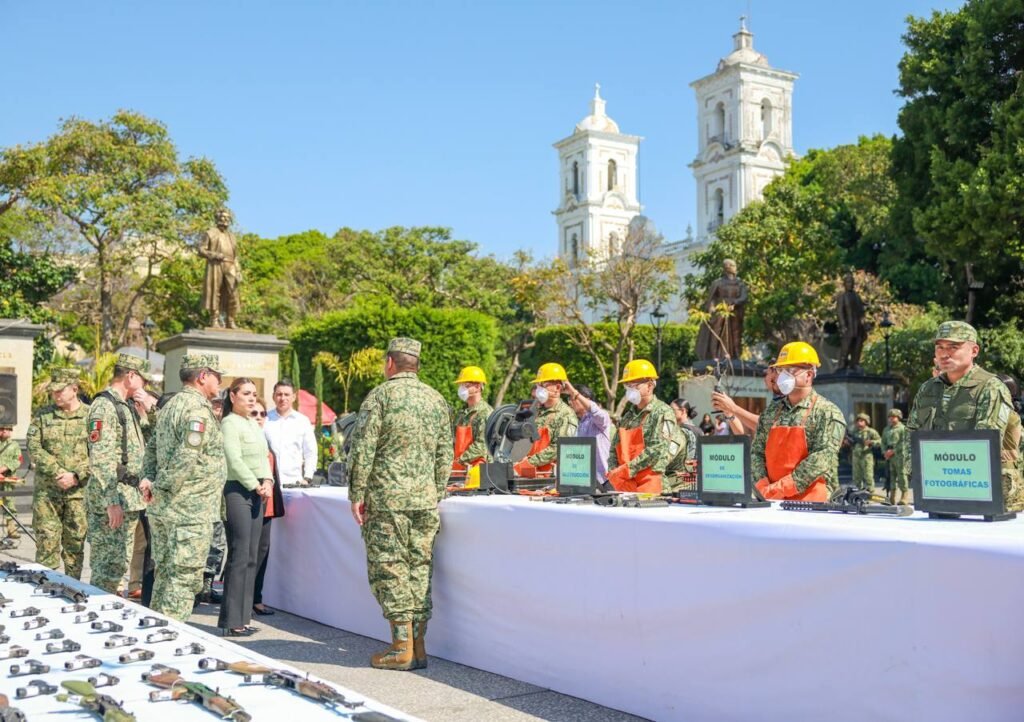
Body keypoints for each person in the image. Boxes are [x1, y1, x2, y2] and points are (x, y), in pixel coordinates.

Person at [347, 337, 453, 671]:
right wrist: (434, 491)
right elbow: (445, 453)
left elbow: (362, 450)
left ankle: (401, 647)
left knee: (390, 568)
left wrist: (356, 494)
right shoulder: (436, 399)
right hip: (424, 500)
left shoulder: (380, 396)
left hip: (387, 500)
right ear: (416, 364)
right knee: (419, 568)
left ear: (390, 363)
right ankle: (418, 646)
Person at [907, 321, 1019, 512]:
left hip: (985, 491)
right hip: (938, 488)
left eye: (953, 347)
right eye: (940, 347)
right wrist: (916, 474)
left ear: (974, 351)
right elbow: (912, 433)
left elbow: (986, 442)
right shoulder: (928, 388)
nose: (944, 354)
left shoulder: (991, 387)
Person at [148, 354, 226, 621]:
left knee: (165, 575)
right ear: (203, 376)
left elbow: (151, 449)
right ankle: (168, 636)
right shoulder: (197, 410)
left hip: (167, 508)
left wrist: (149, 482)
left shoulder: (171, 404)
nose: (220, 381)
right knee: (183, 580)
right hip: (189, 512)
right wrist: (161, 486)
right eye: (217, 375)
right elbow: (186, 457)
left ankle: (155, 630)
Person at [86, 353, 153, 595]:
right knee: (107, 569)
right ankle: (97, 610)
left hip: (129, 498)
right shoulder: (105, 406)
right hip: (112, 499)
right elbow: (101, 458)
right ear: (131, 376)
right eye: (144, 380)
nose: (145, 385)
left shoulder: (128, 406)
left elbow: (151, 440)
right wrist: (112, 502)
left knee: (118, 565)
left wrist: (148, 411)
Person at [752, 341, 846, 501]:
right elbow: (757, 452)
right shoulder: (771, 412)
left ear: (808, 375)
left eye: (790, 370)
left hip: (811, 505)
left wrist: (779, 489)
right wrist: (762, 486)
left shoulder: (827, 412)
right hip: (771, 501)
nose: (783, 376)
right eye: (780, 370)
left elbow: (822, 458)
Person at [217, 378, 273, 637]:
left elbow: (264, 457)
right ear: (233, 396)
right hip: (237, 491)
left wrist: (268, 481)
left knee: (252, 556)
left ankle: (244, 617)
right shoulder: (229, 423)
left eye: (254, 394)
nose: (252, 398)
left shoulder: (252, 423)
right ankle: (231, 620)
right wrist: (255, 484)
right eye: (246, 393)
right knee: (239, 555)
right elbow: (233, 460)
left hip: (258, 490)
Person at [26, 368, 90, 578]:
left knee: (75, 548)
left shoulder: (91, 416)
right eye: (53, 391)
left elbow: (101, 452)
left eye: (60, 390)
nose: (55, 395)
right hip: (48, 494)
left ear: (74, 389)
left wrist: (76, 475)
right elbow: (34, 447)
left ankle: (73, 589)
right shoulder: (42, 416)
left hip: (78, 494)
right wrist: (58, 471)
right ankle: (45, 587)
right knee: (46, 544)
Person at [607, 359, 680, 493]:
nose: (629, 390)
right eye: (627, 386)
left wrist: (627, 470)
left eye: (634, 385)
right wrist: (614, 472)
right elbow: (613, 449)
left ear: (650, 386)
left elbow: (657, 449)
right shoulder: (627, 416)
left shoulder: (663, 412)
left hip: (652, 488)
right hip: (625, 486)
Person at [512, 363, 578, 479]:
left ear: (558, 388)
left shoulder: (566, 414)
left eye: (543, 385)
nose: (538, 389)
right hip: (528, 473)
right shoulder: (536, 411)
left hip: (550, 478)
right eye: (537, 385)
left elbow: (558, 448)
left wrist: (529, 462)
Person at [250, 398, 284, 617]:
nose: (259, 418)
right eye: (254, 413)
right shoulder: (243, 438)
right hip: (250, 502)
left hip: (267, 504)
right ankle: (243, 601)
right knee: (247, 554)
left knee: (262, 552)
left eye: (262, 414)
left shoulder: (265, 439)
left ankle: (256, 598)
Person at [264, 380, 317, 485]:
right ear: (273, 397)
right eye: (279, 394)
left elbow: (310, 452)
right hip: (269, 483)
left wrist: (307, 478)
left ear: (294, 397)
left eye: (287, 394)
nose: (283, 398)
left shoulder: (302, 421)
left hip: (294, 483)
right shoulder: (265, 419)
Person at [198, 208, 242, 329]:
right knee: (215, 292)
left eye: (228, 218)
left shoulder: (232, 236)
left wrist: (238, 269)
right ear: (217, 218)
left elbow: (236, 255)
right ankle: (214, 319)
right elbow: (201, 250)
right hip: (216, 264)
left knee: (233, 293)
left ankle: (230, 320)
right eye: (223, 217)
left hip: (230, 265)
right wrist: (214, 255)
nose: (225, 220)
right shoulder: (210, 233)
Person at [712, 365, 781, 435]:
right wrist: (729, 412)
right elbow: (740, 433)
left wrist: (732, 407)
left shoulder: (784, 402)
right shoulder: (776, 401)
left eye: (766, 374)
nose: (764, 378)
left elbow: (766, 426)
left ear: (776, 375)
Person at [564, 381, 612, 481]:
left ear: (586, 399)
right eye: (569, 399)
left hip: (604, 480)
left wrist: (574, 392)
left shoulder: (600, 419)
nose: (570, 403)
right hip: (585, 480)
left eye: (572, 399)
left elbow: (595, 411)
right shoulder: (578, 423)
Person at [451, 366, 493, 472]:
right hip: (460, 469)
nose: (461, 389)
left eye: (466, 385)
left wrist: (459, 461)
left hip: (479, 471)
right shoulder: (462, 414)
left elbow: (482, 445)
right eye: (460, 385)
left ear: (478, 386)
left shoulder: (485, 412)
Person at [881, 409, 910, 505]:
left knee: (902, 475)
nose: (891, 419)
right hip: (889, 456)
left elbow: (904, 442)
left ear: (898, 417)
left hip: (900, 455)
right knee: (891, 476)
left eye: (893, 417)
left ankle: (904, 497)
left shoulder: (903, 429)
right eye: (890, 417)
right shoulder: (886, 429)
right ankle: (892, 497)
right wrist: (885, 452)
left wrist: (894, 451)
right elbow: (883, 442)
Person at [0, 422, 23, 538]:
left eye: (7, 429)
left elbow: (18, 460)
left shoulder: (14, 445)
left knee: (9, 503)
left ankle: (11, 528)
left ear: (10, 431)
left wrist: (5, 468)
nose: (4, 431)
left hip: (7, 479)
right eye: (1, 429)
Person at [848, 413, 881, 492]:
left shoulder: (871, 432)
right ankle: (858, 493)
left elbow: (880, 441)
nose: (859, 423)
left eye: (862, 421)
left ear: (866, 422)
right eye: (858, 421)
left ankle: (870, 493)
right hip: (856, 457)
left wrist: (871, 442)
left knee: (868, 476)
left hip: (866, 456)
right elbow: (851, 442)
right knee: (856, 477)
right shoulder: (854, 432)